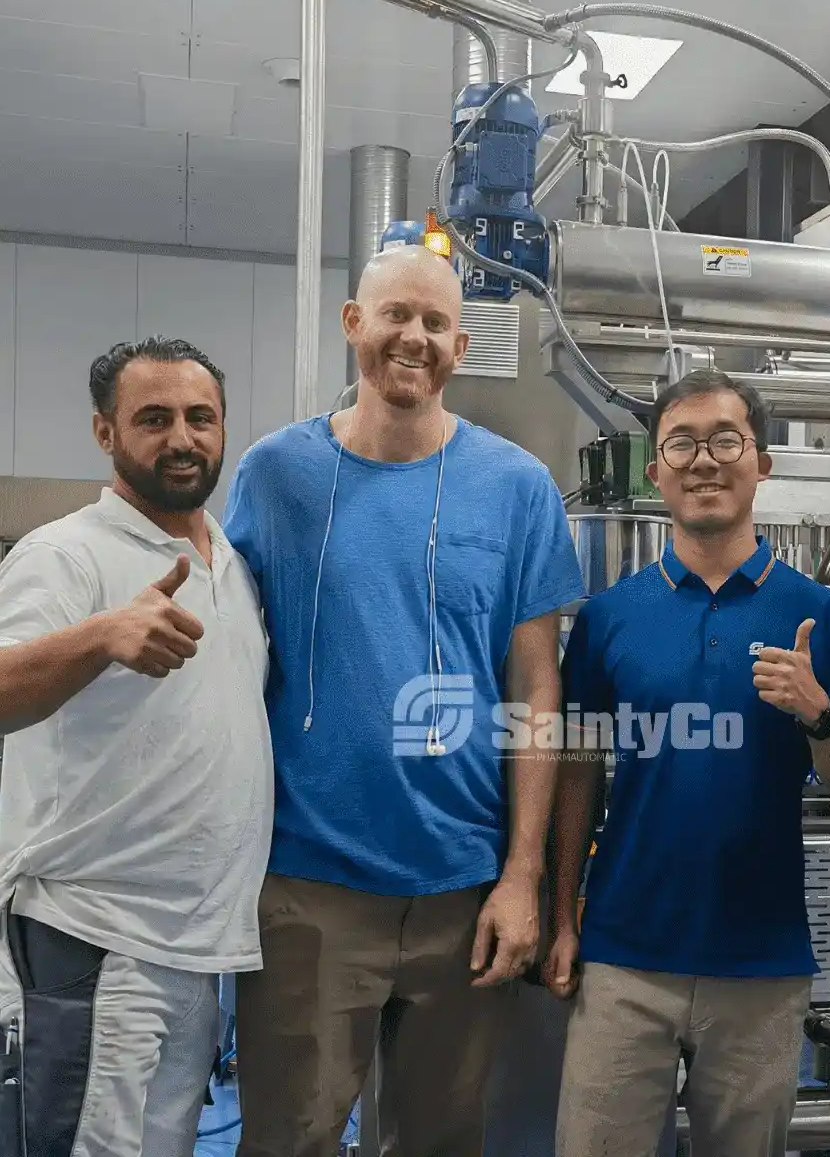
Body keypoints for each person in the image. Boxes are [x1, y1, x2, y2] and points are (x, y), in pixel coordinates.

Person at [223, 244, 584, 1157]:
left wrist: (521, 877)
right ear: (354, 324)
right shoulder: (276, 476)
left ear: (460, 345)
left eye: (433, 323)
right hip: (308, 885)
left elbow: (535, 688)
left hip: (462, 889)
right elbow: (224, 650)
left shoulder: (516, 489)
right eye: (395, 316)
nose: (412, 338)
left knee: (440, 1141)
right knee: (287, 1137)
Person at [546, 369, 830, 1157]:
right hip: (624, 955)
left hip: (759, 965)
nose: (704, 460)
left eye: (726, 440)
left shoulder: (822, 618)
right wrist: (562, 917)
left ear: (761, 464)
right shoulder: (607, 619)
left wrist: (818, 713)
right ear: (656, 471)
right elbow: (576, 774)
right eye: (681, 444)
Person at [0, 337, 273, 1157]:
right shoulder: (66, 555)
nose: (182, 438)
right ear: (106, 433)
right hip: (88, 938)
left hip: (194, 948)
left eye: (200, 418)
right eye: (154, 418)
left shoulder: (229, 566)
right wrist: (102, 635)